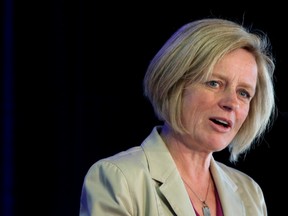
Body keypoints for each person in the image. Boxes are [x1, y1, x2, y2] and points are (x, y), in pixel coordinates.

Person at [79, 17, 276, 216]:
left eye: (243, 93)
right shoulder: (119, 179)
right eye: (214, 83)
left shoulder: (250, 193)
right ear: (175, 84)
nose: (231, 103)